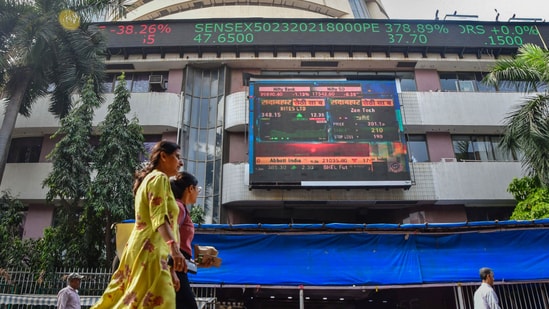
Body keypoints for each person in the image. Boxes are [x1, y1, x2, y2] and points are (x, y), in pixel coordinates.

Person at [92, 140, 185, 308]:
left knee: (130, 300)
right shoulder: (159, 178)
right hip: (151, 251)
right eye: (177, 157)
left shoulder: (150, 179)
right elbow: (159, 219)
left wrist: (172, 270)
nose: (181, 162)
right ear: (164, 156)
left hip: (144, 249)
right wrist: (175, 249)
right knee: (158, 302)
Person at [170, 171, 201, 309]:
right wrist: (171, 271)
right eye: (197, 189)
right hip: (174, 267)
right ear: (190, 188)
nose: (198, 193)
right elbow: (168, 236)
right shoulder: (179, 208)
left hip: (179, 266)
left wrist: (190, 262)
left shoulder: (182, 208)